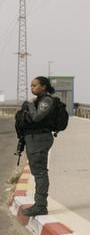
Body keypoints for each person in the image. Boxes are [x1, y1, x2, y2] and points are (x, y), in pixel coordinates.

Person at [18, 77, 59, 217]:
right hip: (34, 139)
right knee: (37, 172)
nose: (32, 88)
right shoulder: (38, 100)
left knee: (40, 172)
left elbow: (36, 118)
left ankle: (41, 205)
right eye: (31, 85)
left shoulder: (46, 101)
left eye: (35, 85)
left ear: (43, 86)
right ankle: (39, 204)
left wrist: (29, 105)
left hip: (40, 139)